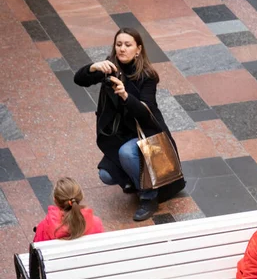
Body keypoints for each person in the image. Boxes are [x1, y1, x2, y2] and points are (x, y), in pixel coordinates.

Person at [74, 27, 185, 222]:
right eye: (119, 45)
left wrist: (126, 96)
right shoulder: (110, 68)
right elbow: (79, 80)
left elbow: (145, 112)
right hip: (121, 134)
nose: (122, 49)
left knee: (126, 153)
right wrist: (93, 67)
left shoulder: (147, 75)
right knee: (106, 176)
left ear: (138, 49)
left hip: (147, 133)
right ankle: (138, 179)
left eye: (128, 45)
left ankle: (149, 196)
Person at [34, 177, 104, 242]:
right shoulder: (96, 223)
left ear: (55, 200)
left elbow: (36, 247)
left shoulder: (45, 226)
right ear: (81, 197)